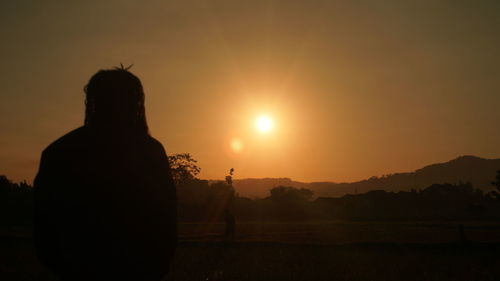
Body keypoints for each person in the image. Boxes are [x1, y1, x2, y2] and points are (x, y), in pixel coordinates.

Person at [33, 66, 177, 281]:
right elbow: (166, 223)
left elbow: (44, 230)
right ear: (136, 104)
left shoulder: (60, 151)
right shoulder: (150, 152)